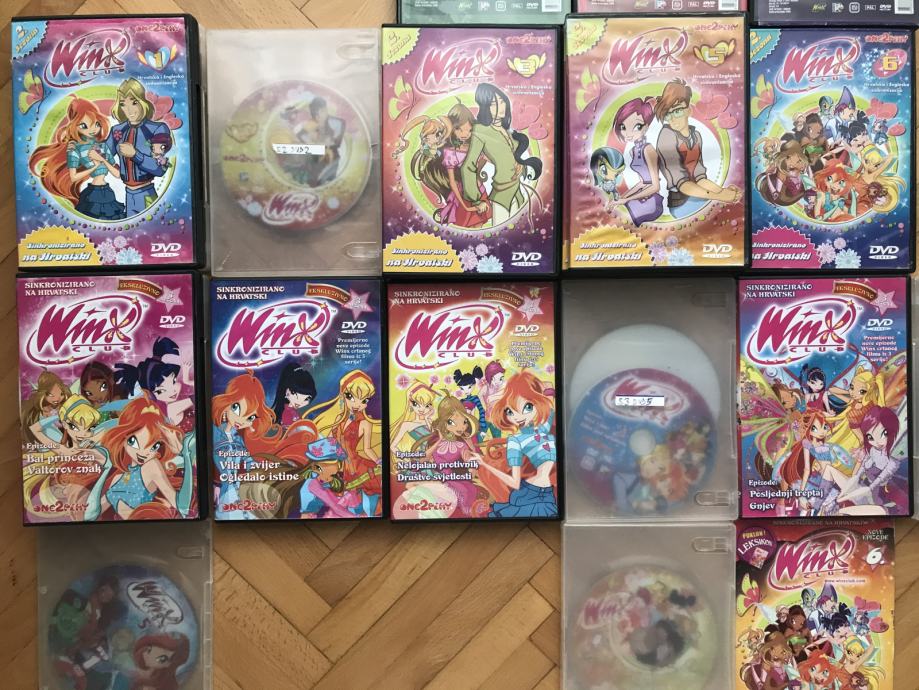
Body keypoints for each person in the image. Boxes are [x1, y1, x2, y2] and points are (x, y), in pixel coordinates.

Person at [653, 79, 740, 218]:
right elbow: (681, 183)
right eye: (668, 114)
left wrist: (722, 191)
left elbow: (700, 177)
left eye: (677, 111)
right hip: (681, 203)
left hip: (700, 196)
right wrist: (720, 196)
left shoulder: (696, 136)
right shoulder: (666, 136)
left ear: (688, 110)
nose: (673, 119)